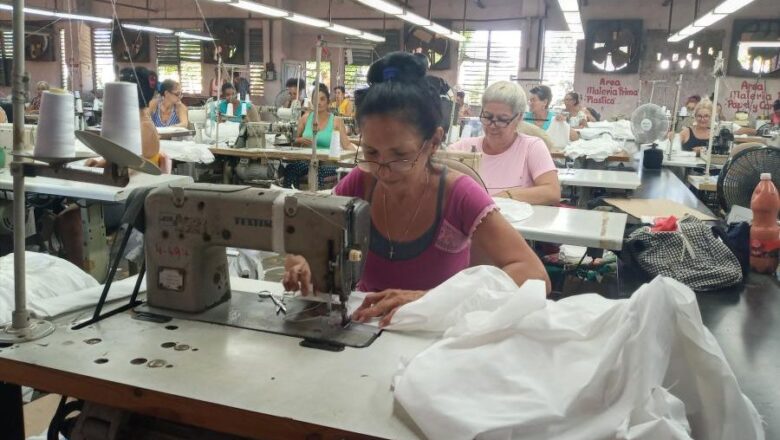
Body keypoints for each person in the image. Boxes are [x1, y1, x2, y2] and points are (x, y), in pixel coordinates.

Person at [283, 52, 550, 326]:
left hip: (435, 338)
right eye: (371, 152)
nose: (383, 169)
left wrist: (428, 298)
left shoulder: (458, 195)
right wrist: (301, 261)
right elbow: (308, 237)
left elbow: (536, 276)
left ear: (434, 141)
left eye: (400, 155)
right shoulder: (361, 183)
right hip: (369, 326)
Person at [450, 81, 560, 205]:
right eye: (487, 117)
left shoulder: (531, 147)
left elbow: (552, 192)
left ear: (518, 118)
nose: (492, 125)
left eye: (502, 119)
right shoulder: (463, 148)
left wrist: (503, 197)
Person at [86, 67, 164, 169]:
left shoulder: (144, 127)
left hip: (138, 181)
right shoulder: (134, 124)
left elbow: (128, 165)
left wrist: (101, 164)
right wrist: (100, 162)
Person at [283, 84, 355, 188]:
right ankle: (292, 200)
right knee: (291, 168)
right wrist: (299, 140)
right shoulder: (305, 118)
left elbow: (347, 145)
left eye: (322, 99)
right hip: (307, 162)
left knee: (317, 173)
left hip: (328, 164)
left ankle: (317, 202)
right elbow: (294, 142)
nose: (319, 102)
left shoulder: (336, 121)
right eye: (316, 99)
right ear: (312, 101)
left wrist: (360, 158)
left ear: (328, 102)